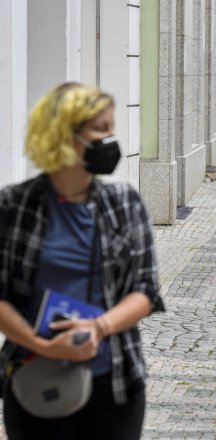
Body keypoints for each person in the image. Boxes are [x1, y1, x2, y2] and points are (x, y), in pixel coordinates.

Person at [0, 82, 165, 439]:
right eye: (100, 129)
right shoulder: (15, 206)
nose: (110, 140)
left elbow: (146, 292)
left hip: (116, 380)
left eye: (112, 129)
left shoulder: (124, 203)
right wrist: (42, 344)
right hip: (35, 376)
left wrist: (98, 327)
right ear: (63, 134)